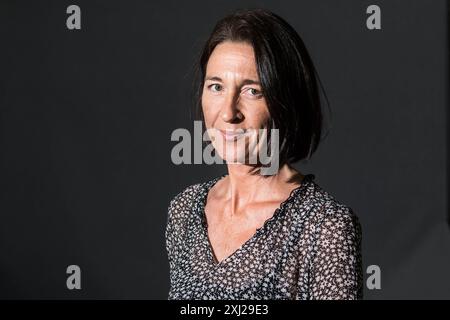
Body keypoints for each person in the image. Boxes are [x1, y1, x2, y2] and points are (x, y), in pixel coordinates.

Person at [166, 8, 363, 300]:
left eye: (252, 91)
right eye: (216, 87)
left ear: (286, 103)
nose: (228, 112)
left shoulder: (325, 226)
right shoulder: (184, 211)